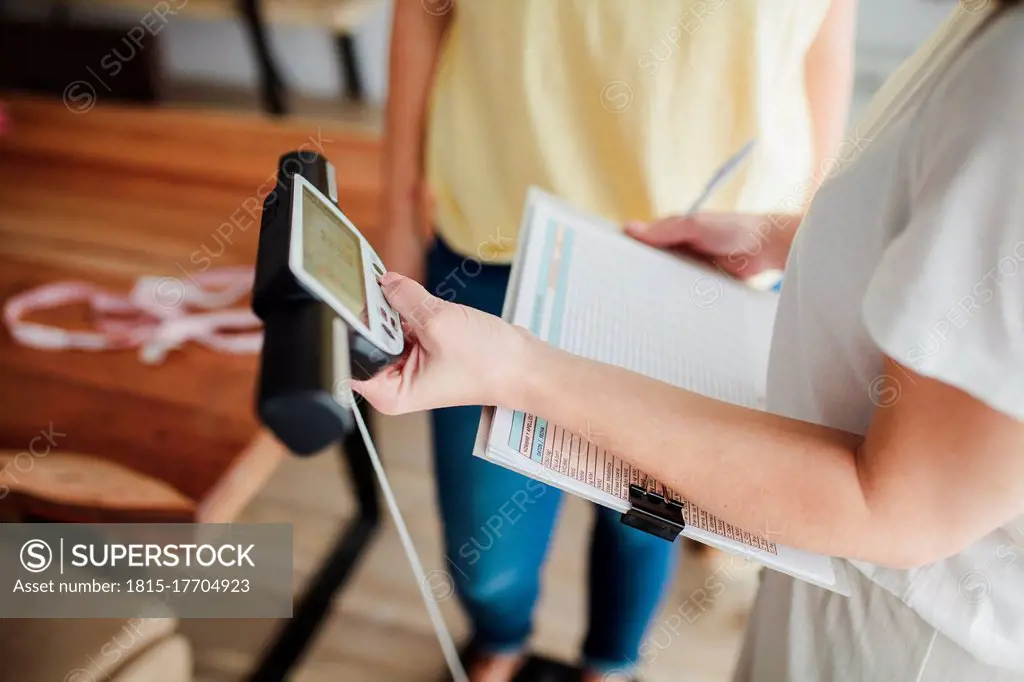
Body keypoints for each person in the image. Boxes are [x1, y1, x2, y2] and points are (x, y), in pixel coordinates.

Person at [362, 2, 1024, 680]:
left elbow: (897, 504)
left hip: (696, 272)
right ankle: (501, 641)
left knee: (646, 523)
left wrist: (526, 374)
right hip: (502, 224)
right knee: (487, 551)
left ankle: (610, 663)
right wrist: (793, 232)